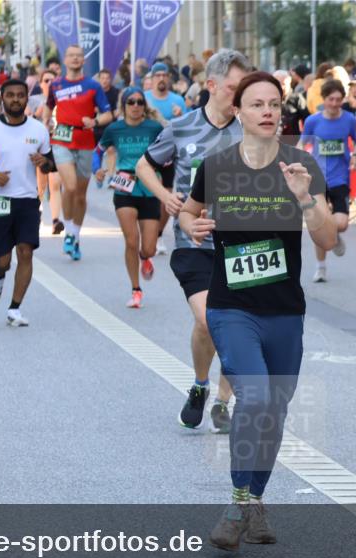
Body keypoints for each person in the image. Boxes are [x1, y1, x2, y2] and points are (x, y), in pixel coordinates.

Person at [178, 71, 337, 551]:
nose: (268, 112)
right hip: (232, 307)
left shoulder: (301, 164)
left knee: (277, 408)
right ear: (239, 113)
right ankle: (236, 503)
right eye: (257, 104)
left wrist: (305, 197)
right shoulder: (217, 165)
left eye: (275, 104)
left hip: (285, 309)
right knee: (255, 397)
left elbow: (327, 239)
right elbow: (187, 210)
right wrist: (194, 226)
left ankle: (255, 499)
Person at [135, 49, 250, 433]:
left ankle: (220, 400)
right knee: (208, 319)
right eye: (235, 88)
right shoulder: (182, 126)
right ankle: (201, 383)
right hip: (193, 242)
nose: (241, 97)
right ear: (212, 86)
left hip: (240, 244)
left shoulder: (252, 129)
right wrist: (164, 196)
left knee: (234, 325)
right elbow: (144, 165)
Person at [0, 79, 56, 327]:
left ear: (27, 99)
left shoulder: (38, 130)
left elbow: (51, 164)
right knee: (3, 260)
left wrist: (44, 162)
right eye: (10, 95)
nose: (16, 99)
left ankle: (15, 308)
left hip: (28, 200)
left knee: (26, 252)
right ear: (2, 98)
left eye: (20, 95)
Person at [95, 88, 165, 308]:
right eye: (131, 102)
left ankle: (146, 258)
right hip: (124, 188)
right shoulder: (114, 129)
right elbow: (98, 150)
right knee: (131, 241)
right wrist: (98, 169)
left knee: (149, 248)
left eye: (139, 102)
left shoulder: (154, 128)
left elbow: (170, 150)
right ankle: (136, 290)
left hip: (150, 188)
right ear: (123, 106)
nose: (136, 106)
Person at [44, 44, 114, 256]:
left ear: (83, 61)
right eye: (71, 55)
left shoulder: (93, 86)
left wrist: (94, 121)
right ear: (65, 60)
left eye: (79, 56)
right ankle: (67, 232)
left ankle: (75, 235)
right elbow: (48, 107)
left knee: (81, 196)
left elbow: (108, 114)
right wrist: (45, 121)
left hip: (84, 141)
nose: (75, 59)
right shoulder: (56, 85)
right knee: (70, 187)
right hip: (62, 139)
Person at [300, 78, 356, 282]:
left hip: (340, 177)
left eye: (338, 99)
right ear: (324, 99)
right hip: (318, 177)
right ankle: (321, 268)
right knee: (318, 224)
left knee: (340, 224)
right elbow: (302, 143)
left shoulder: (349, 119)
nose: (334, 103)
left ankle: (333, 233)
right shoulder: (313, 121)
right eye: (331, 99)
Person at [28, 70, 65, 232]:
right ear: (41, 83)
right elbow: (26, 120)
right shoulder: (33, 100)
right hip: (39, 146)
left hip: (57, 144)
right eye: (46, 80)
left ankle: (56, 220)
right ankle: (37, 211)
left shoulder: (63, 99)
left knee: (55, 183)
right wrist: (39, 113)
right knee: (40, 185)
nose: (49, 83)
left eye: (52, 80)